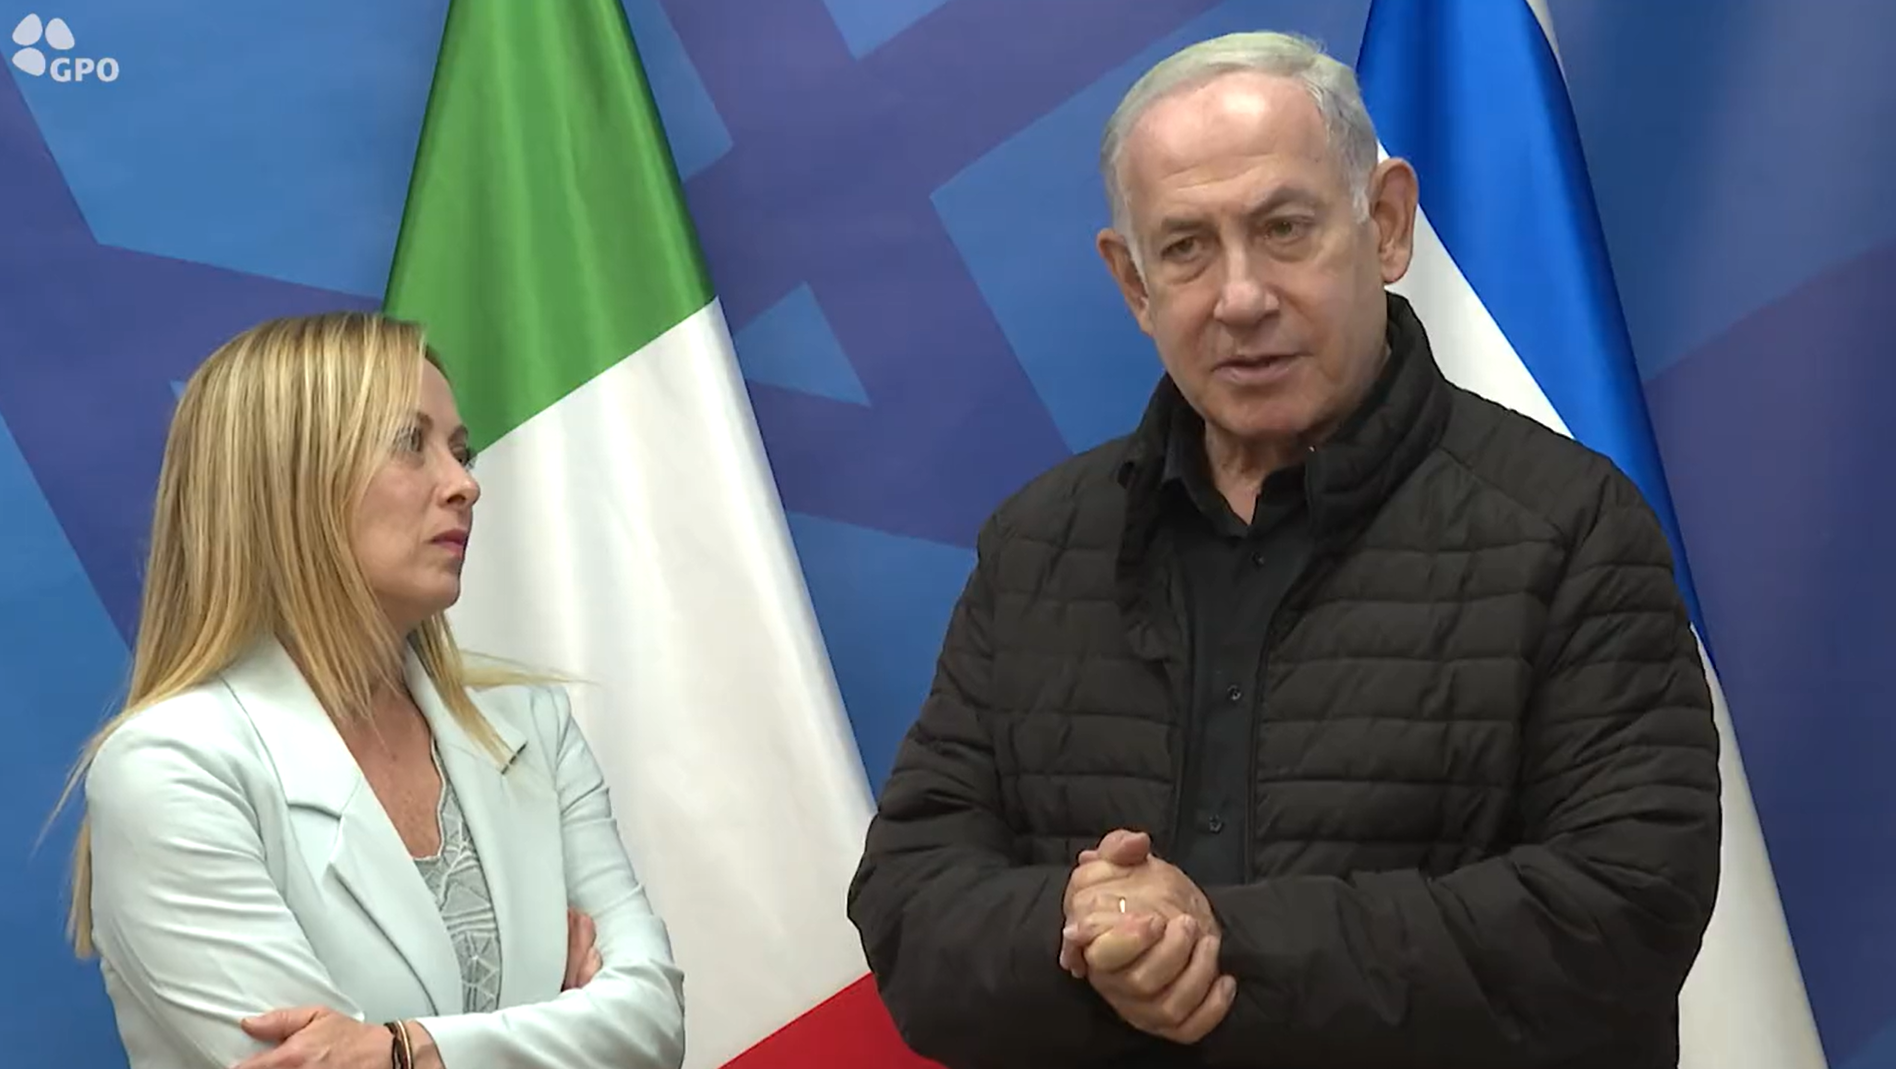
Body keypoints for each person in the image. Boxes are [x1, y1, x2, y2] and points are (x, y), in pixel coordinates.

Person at [846, 30, 1720, 1069]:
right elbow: (908, 900)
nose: (1241, 295)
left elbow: (1619, 916)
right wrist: (1079, 923)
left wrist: (1213, 941)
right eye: (1186, 248)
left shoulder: (1570, 528)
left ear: (1385, 225)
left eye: (1284, 227)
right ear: (1132, 284)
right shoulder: (1036, 545)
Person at [61, 312, 686, 1069]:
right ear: (285, 481)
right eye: (408, 443)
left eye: (460, 451)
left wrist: (405, 1048)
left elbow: (653, 1020)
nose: (465, 484)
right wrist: (563, 1025)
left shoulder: (530, 724)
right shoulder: (171, 766)